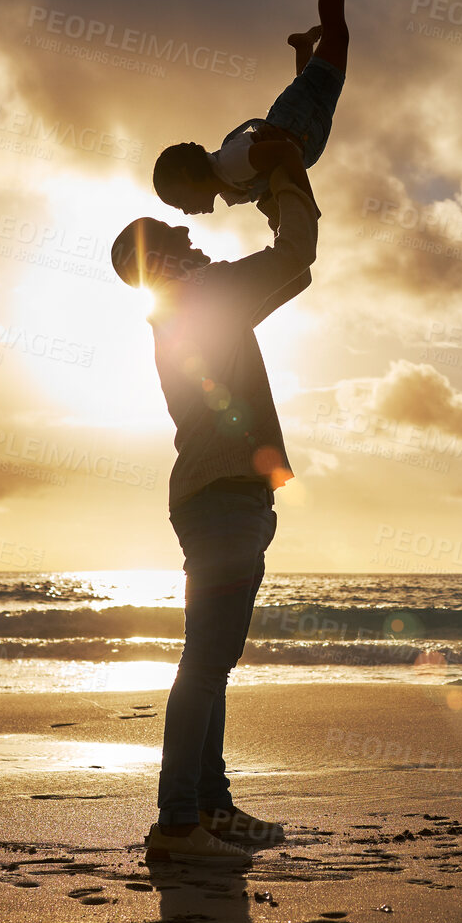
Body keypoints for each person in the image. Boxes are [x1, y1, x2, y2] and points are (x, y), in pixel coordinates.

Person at [110, 161, 319, 866]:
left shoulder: (175, 308)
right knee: (205, 663)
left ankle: (209, 807)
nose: (196, 241)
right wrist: (283, 178)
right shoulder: (203, 295)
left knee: (211, 662)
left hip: (214, 497)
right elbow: (295, 258)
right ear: (163, 259)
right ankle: (176, 824)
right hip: (225, 498)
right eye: (179, 235)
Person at [151, 0, 355, 220]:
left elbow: (285, 153)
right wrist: (276, 215)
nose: (186, 212)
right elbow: (266, 185)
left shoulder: (233, 164)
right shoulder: (232, 186)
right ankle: (303, 48)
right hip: (301, 123)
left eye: (180, 202)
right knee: (311, 85)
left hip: (298, 126)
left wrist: (308, 206)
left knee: (336, 34)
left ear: (188, 176)